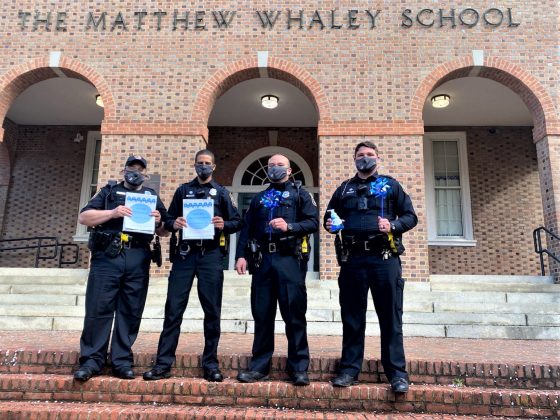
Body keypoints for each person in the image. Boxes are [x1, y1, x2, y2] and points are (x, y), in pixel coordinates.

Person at [324, 141, 417, 393]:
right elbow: (328, 217)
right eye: (360, 155)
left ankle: (397, 374)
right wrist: (331, 224)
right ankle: (349, 370)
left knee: (390, 317)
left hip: (383, 258)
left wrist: (393, 225)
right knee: (352, 317)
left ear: (378, 158)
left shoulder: (391, 185)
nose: (365, 158)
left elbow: (410, 216)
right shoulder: (344, 188)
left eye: (369, 154)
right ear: (354, 159)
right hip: (353, 260)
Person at [143, 149, 242, 382]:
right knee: (173, 310)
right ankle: (163, 364)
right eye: (200, 163)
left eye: (207, 163)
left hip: (211, 256)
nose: (203, 166)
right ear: (195, 165)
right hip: (185, 256)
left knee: (212, 311)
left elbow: (238, 221)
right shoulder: (183, 190)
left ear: (213, 167)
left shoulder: (222, 193)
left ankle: (211, 364)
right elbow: (168, 219)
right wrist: (174, 223)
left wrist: (223, 224)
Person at [73, 155, 168, 382]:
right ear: (124, 170)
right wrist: (112, 213)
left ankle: (121, 361)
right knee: (99, 307)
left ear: (145, 174)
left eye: (140, 169)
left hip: (138, 256)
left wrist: (159, 221)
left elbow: (165, 231)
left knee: (130, 310)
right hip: (108, 256)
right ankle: (92, 360)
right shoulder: (109, 192)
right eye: (131, 168)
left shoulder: (151, 196)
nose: (135, 172)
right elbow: (84, 217)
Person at [235, 154, 318, 386]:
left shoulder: (301, 195)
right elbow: (247, 228)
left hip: (289, 259)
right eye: (271, 165)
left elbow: (313, 223)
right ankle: (259, 367)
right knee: (262, 314)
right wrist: (241, 255)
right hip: (262, 261)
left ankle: (299, 368)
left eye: (280, 165)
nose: (275, 168)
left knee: (294, 315)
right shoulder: (259, 198)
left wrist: (289, 226)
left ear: (289, 170)